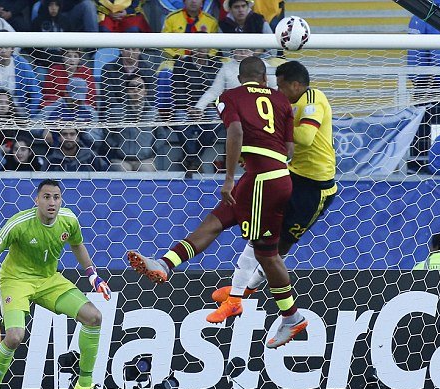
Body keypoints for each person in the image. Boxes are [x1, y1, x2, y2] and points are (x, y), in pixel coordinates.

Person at [128, 56, 305, 349]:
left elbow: (235, 132)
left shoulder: (230, 96)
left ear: (239, 77)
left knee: (267, 255)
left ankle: (291, 316)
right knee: (215, 222)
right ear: (264, 79)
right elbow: (288, 149)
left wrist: (229, 177)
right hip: (270, 175)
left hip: (260, 179)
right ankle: (166, 263)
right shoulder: (280, 99)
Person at [0, 179, 113, 389]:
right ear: (37, 200)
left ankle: (84, 386)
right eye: (46, 197)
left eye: (56, 197)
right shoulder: (19, 223)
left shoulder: (69, 220)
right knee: (14, 337)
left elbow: (77, 245)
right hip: (16, 281)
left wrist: (92, 274)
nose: (52, 202)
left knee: (94, 317)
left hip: (49, 280)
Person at [208, 60, 337, 323]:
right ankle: (238, 293)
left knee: (279, 247)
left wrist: (274, 130)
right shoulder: (287, 104)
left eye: (281, 86)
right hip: (291, 176)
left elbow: (305, 138)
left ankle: (245, 292)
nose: (277, 91)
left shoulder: (314, 100)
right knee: (262, 235)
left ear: (296, 85)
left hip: (316, 188)